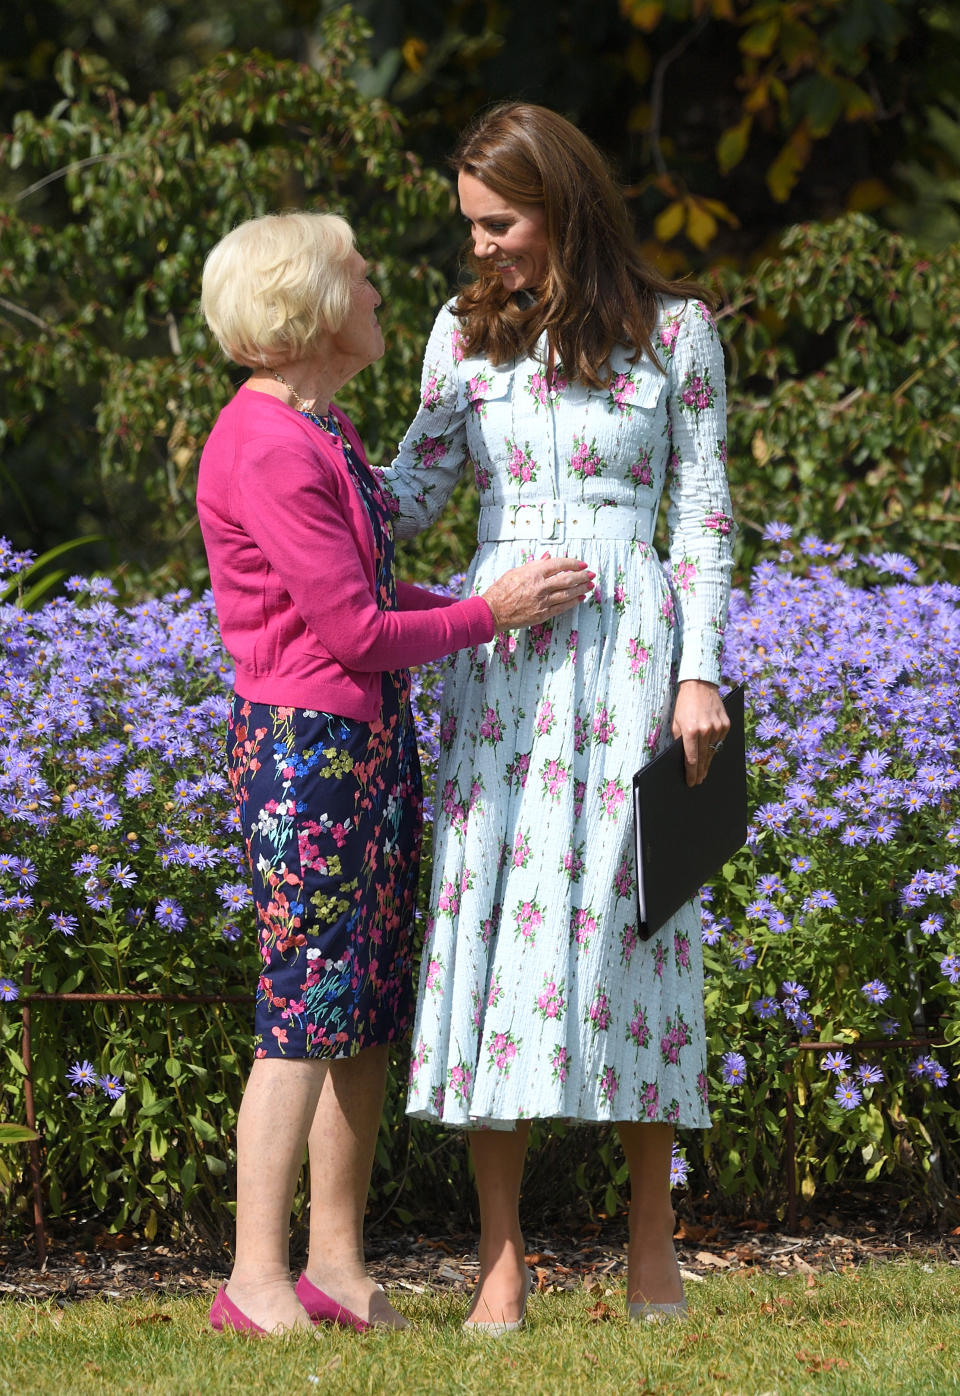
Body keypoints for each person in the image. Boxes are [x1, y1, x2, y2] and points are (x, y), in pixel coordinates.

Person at [195, 210, 593, 1336]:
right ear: (311, 304)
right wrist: (490, 613)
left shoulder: (321, 428)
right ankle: (253, 1279)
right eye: (360, 278)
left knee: (360, 1011)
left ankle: (336, 1265)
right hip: (304, 752)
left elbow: (371, 601)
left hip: (359, 743)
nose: (378, 293)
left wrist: (475, 604)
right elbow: (355, 630)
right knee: (298, 1018)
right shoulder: (266, 443)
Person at [376, 103, 735, 1330]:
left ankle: (651, 1251)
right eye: (469, 224)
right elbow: (406, 494)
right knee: (495, 934)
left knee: (643, 934)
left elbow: (704, 516)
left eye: (500, 222)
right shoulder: (459, 338)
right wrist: (291, 436)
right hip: (505, 670)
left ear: (564, 206)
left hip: (636, 657)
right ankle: (498, 1261)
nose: (478, 247)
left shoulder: (675, 333)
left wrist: (702, 676)